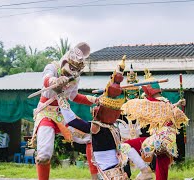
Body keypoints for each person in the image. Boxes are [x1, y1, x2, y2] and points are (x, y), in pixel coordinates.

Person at [58, 56, 153, 179]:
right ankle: (145, 170)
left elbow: (72, 121)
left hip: (108, 174)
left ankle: (145, 171)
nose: (95, 108)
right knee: (125, 147)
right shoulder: (114, 127)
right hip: (117, 170)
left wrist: (60, 99)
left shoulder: (97, 127)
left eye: (99, 106)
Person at [31, 42, 99, 180]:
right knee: (44, 155)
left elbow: (73, 96)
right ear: (65, 60)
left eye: (75, 69)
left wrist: (93, 100)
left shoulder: (76, 77)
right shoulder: (52, 67)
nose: (72, 70)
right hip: (46, 113)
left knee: (90, 137)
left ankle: (95, 177)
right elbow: (46, 80)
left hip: (63, 114)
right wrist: (55, 80)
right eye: (71, 66)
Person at [120, 69, 188, 180]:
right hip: (169, 142)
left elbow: (131, 104)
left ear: (148, 91)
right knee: (161, 170)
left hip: (158, 139)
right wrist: (179, 104)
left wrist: (114, 95)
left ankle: (145, 170)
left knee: (124, 146)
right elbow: (172, 112)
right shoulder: (166, 103)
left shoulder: (151, 104)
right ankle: (148, 171)